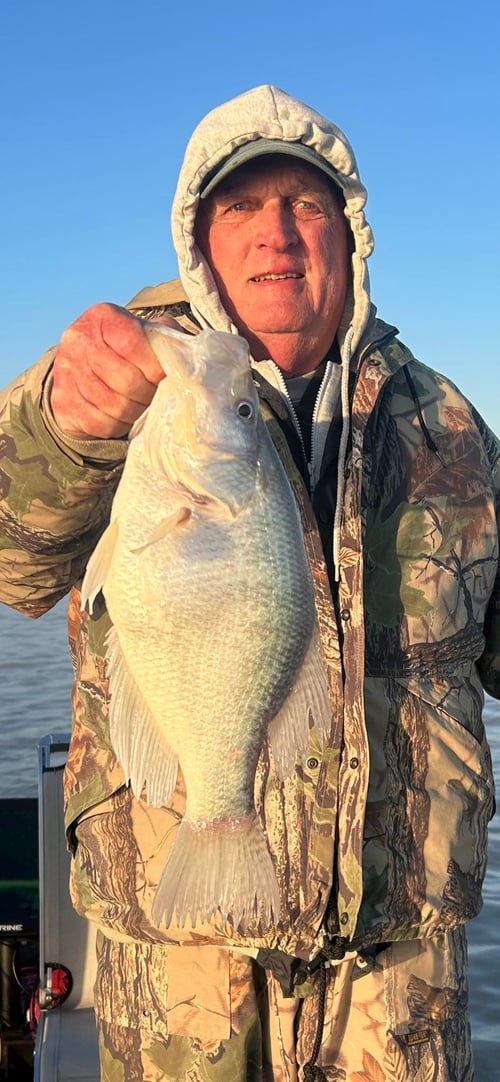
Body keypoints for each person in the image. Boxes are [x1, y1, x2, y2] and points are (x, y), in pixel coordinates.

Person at [0, 84, 498, 1082]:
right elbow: (18, 566)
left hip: (395, 976)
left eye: (305, 203)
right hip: (181, 968)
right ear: (199, 239)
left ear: (349, 233)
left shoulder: (445, 423)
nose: (276, 232)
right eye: (240, 206)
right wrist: (67, 429)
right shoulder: (125, 382)